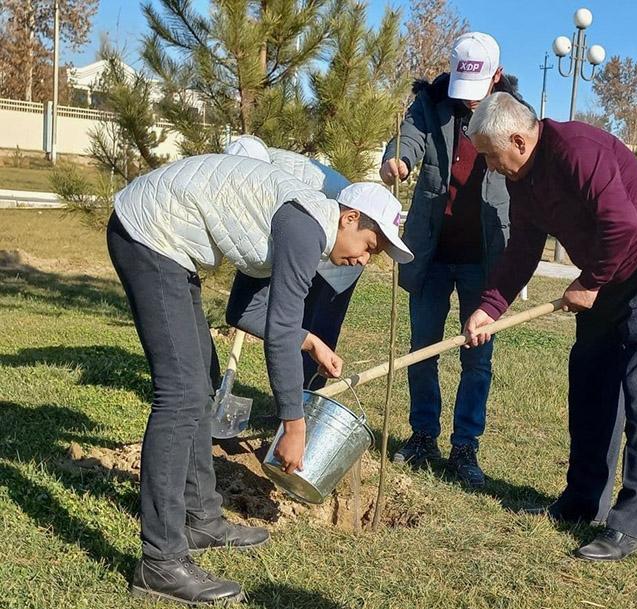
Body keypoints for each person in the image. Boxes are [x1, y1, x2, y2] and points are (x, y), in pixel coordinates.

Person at [107, 152, 412, 605]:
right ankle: (160, 562)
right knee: (180, 395)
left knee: (201, 382)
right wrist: (295, 424)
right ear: (349, 218)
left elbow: (244, 311)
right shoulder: (304, 227)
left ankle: (199, 518)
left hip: (167, 242)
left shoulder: (300, 220)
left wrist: (309, 341)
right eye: (370, 246)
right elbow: (278, 333)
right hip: (148, 232)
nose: (366, 260)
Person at [463, 92, 637, 561]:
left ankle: (631, 524)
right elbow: (523, 247)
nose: (487, 164)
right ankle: (582, 500)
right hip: (607, 276)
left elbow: (622, 224)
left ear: (518, 140)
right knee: (589, 381)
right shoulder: (521, 179)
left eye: (488, 153)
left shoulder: (577, 151)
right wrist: (491, 306)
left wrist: (589, 283)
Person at [380, 32, 526, 488]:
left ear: (496, 78)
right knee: (422, 349)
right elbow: (407, 138)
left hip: (485, 260)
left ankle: (465, 448)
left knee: (476, 358)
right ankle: (423, 436)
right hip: (430, 253)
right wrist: (396, 160)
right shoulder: (430, 103)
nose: (466, 104)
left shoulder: (514, 115)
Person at [222, 135, 360, 390]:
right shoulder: (256, 171)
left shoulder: (276, 178)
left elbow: (296, 233)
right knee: (289, 324)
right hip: (306, 240)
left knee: (313, 325)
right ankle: (289, 406)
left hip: (344, 249)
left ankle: (306, 403)